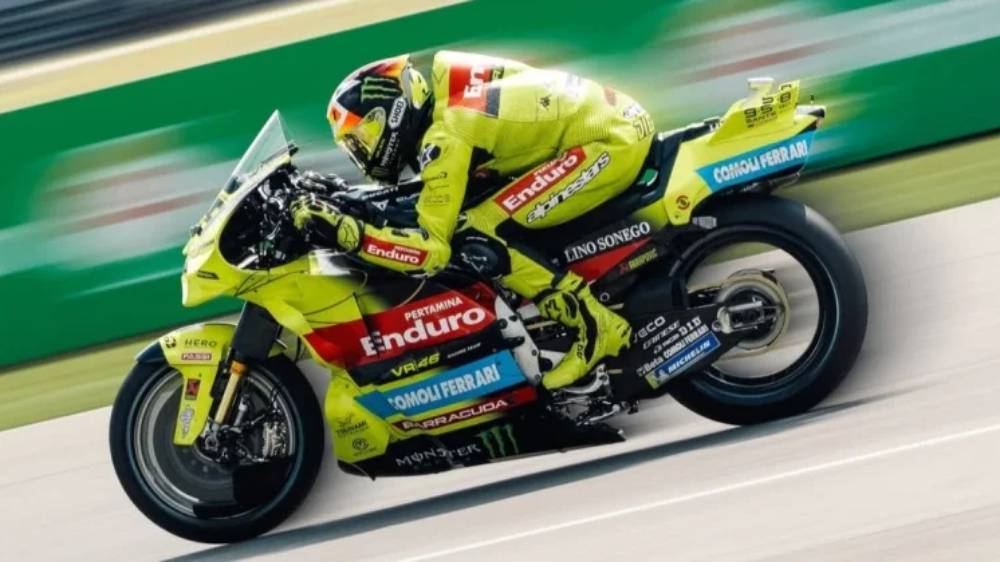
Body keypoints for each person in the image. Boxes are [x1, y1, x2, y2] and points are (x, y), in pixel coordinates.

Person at [291, 51, 656, 389]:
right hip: (616, 120)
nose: (363, 152)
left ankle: (595, 325)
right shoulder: (448, 81)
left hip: (608, 143)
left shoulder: (446, 135)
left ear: (393, 114)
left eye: (363, 137)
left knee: (479, 230)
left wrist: (352, 236)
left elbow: (432, 251)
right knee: (482, 209)